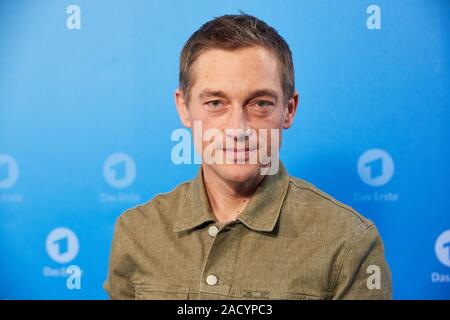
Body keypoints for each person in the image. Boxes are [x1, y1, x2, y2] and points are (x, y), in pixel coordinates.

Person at [104, 13, 392, 300]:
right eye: (215, 103)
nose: (237, 129)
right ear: (184, 108)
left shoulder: (349, 242)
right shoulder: (136, 231)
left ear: (289, 110)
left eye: (260, 103)